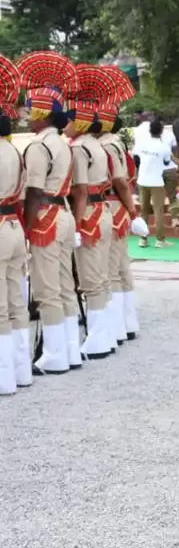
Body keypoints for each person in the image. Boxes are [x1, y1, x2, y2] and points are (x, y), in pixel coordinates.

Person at [18, 51, 81, 375]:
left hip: (46, 216)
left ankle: (56, 353)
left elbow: (33, 192)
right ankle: (70, 349)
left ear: (42, 114)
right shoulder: (63, 144)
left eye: (30, 110)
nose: (27, 115)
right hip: (65, 214)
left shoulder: (38, 146)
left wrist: (26, 229)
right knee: (65, 286)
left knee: (46, 290)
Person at [65, 88, 116, 358]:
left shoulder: (79, 149)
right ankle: (105, 334)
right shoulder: (97, 145)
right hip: (103, 210)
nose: (66, 125)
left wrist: (75, 223)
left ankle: (97, 339)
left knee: (91, 280)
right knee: (102, 277)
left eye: (70, 121)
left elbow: (81, 190)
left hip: (89, 215)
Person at [97, 95, 146, 344]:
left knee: (112, 269)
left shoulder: (106, 145)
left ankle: (117, 327)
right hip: (120, 207)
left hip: (113, 204)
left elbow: (119, 182)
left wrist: (131, 208)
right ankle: (128, 322)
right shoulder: (117, 143)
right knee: (122, 266)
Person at [0, 56, 31, 395]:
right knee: (15, 301)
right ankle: (20, 371)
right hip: (12, 226)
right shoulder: (15, 153)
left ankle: (4, 378)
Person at [136, 119, 172, 248]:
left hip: (142, 181)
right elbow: (167, 162)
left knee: (144, 211)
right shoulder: (164, 147)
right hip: (156, 182)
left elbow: (137, 158)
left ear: (149, 130)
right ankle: (160, 240)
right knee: (158, 211)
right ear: (162, 131)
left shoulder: (142, 144)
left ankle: (143, 239)